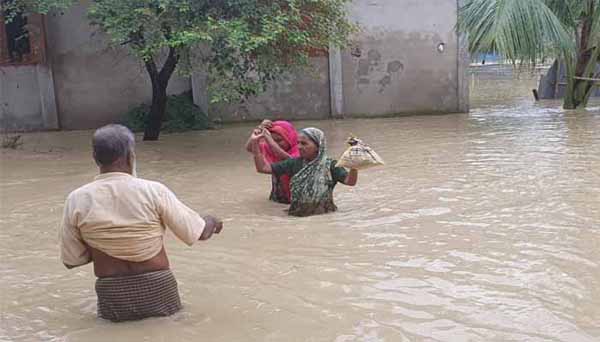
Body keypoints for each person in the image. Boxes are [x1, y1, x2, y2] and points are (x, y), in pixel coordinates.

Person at [59, 124, 223, 322]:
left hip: (112, 292)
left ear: (95, 158)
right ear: (130, 156)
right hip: (158, 287)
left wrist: (105, 245)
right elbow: (198, 233)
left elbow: (71, 261)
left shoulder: (77, 199)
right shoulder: (154, 191)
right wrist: (211, 221)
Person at [251, 127, 358, 217]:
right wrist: (255, 144)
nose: (299, 147)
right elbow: (263, 168)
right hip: (296, 216)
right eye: (298, 143)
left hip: (324, 216)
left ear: (318, 146)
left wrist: (355, 164)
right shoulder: (294, 163)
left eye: (304, 144)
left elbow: (350, 181)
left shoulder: (330, 165)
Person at [245, 120, 300, 203]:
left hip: (295, 198)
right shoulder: (271, 149)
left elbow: (290, 161)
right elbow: (249, 148)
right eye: (273, 140)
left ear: (290, 138)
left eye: (279, 140)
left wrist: (269, 139)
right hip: (278, 194)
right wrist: (258, 131)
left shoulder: (300, 151)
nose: (275, 144)